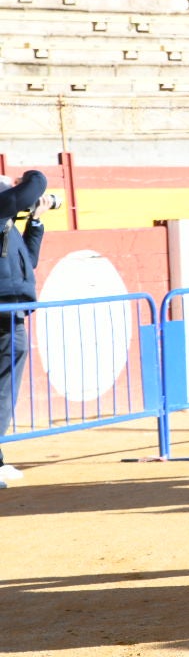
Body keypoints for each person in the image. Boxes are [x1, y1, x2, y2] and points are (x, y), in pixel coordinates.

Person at [0, 169, 47, 487]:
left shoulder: (7, 225)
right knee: (3, 388)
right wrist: (28, 176)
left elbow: (29, 260)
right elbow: (34, 186)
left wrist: (36, 222)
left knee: (5, 387)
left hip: (12, 312)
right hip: (4, 312)